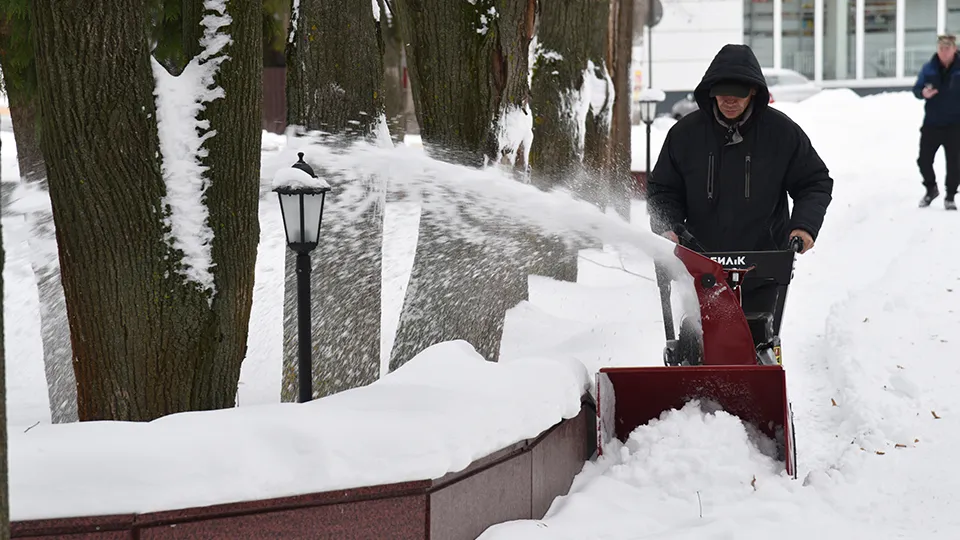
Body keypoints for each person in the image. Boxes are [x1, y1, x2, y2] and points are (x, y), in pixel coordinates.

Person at [647, 44, 833, 333]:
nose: (730, 101)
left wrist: (804, 227)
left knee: (755, 337)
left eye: (739, 94)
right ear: (711, 91)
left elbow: (814, 182)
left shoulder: (781, 133)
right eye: (723, 93)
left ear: (754, 93)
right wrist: (667, 226)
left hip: (762, 265)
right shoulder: (685, 135)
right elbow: (663, 190)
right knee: (699, 340)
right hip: (700, 265)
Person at [912, 34, 960, 210]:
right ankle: (931, 188)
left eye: (947, 48)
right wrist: (923, 93)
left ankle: (950, 195)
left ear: (954, 49)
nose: (944, 51)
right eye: (941, 48)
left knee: (954, 163)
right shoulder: (929, 68)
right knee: (923, 160)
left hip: (955, 124)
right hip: (932, 123)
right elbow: (916, 89)